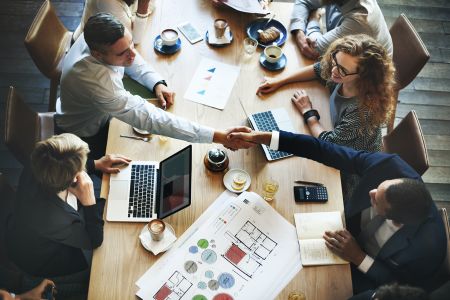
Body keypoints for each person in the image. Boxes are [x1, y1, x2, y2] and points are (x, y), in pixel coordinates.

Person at [228, 130, 447, 294]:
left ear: (395, 220)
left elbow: (403, 289)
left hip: (363, 276)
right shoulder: (389, 167)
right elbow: (328, 151)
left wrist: (358, 257)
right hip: (339, 228)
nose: (371, 191)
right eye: (379, 188)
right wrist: (267, 138)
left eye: (376, 200)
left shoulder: (429, 247)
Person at [56, 13, 253, 160]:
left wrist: (156, 82)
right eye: (123, 53)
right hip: (87, 133)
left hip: (103, 111)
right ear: (98, 55)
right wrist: (217, 136)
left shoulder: (97, 33)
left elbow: (130, 58)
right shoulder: (95, 79)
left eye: (131, 44)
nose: (132, 55)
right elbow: (148, 117)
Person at [257, 34, 395, 201]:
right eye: (335, 60)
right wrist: (280, 80)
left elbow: (330, 144)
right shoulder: (341, 73)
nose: (333, 70)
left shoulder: (363, 110)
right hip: (336, 134)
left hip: (350, 171)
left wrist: (309, 112)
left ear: (363, 76)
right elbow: (318, 69)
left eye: (342, 69)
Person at [6, 134, 126, 298]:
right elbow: (94, 240)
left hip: (22, 232)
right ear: (73, 177)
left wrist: (96, 164)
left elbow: (60, 165)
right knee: (101, 278)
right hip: (41, 262)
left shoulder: (39, 162)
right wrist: (89, 202)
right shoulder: (54, 218)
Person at [290, 0, 393, 59]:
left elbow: (314, 50)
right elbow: (303, 1)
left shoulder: (361, 21)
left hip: (364, 79)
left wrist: (314, 20)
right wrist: (299, 31)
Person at [73, 0, 155, 45]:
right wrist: (143, 7)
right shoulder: (107, 2)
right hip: (89, 54)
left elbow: (151, 5)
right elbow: (133, 40)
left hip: (109, 46)